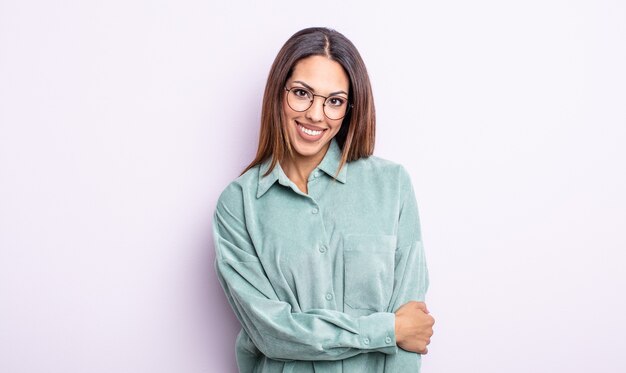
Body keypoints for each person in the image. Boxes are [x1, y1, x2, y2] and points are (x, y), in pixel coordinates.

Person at [213, 27, 434, 372]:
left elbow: (412, 330)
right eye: (302, 93)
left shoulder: (392, 186)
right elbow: (270, 333)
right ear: (278, 93)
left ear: (349, 108)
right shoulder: (238, 205)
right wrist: (385, 330)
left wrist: (399, 331)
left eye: (334, 101)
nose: (316, 115)